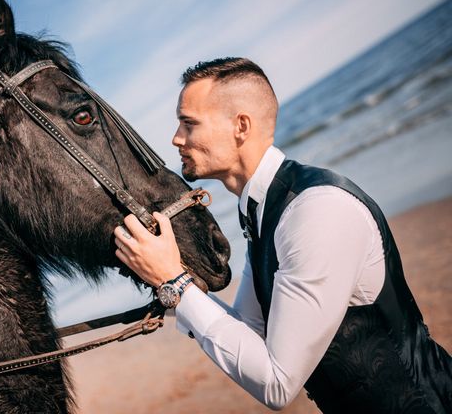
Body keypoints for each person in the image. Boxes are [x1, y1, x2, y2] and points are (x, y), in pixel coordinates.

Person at [113, 57, 451, 413]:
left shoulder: (316, 212)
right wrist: (167, 276)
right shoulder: (262, 212)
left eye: (189, 123)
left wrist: (174, 282)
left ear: (240, 126)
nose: (176, 138)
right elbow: (248, 331)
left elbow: (277, 383)